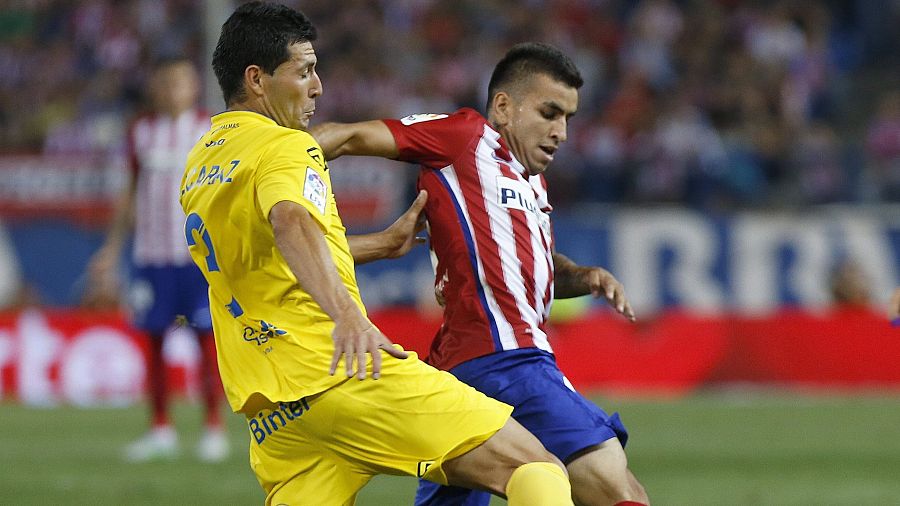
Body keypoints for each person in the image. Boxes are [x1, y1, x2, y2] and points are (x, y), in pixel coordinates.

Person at [181, 3, 575, 504]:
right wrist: (348, 315)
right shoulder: (284, 146)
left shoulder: (202, 160)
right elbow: (291, 221)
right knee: (534, 467)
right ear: (257, 79)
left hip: (274, 411)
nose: (318, 86)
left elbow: (264, 253)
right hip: (339, 370)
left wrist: (379, 246)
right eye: (303, 71)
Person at [312, 43, 650, 506]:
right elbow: (346, 136)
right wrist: (275, 165)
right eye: (550, 113)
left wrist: (585, 275)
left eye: (568, 118)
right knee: (615, 484)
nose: (562, 132)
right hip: (508, 361)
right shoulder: (465, 137)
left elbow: (535, 263)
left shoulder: (533, 182)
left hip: (458, 375)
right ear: (505, 107)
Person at [84, 56, 229, 463]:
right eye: (164, 83)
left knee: (205, 341)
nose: (172, 91)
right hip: (151, 256)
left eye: (180, 82)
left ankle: (213, 428)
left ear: (193, 86)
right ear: (154, 88)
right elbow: (129, 192)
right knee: (154, 340)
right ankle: (160, 428)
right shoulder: (141, 132)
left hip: (198, 260)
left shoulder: (210, 129)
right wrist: (111, 250)